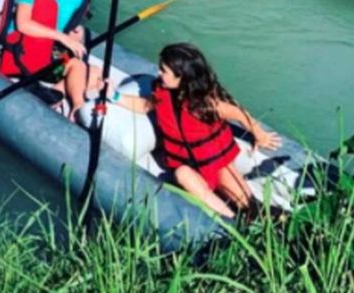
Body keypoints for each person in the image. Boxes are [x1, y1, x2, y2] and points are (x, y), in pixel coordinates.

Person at [112, 43, 281, 220]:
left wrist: (260, 135)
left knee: (251, 205)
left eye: (164, 70)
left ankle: (261, 215)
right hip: (188, 168)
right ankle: (231, 220)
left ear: (180, 77)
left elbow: (237, 113)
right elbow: (145, 105)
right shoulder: (162, 92)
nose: (159, 73)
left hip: (216, 164)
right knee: (182, 174)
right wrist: (115, 96)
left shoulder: (204, 104)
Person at [0, 0, 92, 118]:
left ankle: (57, 93)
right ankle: (78, 109)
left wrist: (75, 35)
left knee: (95, 73)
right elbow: (23, 24)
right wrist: (62, 37)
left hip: (48, 51)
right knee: (78, 66)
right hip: (22, 51)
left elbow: (67, 26)